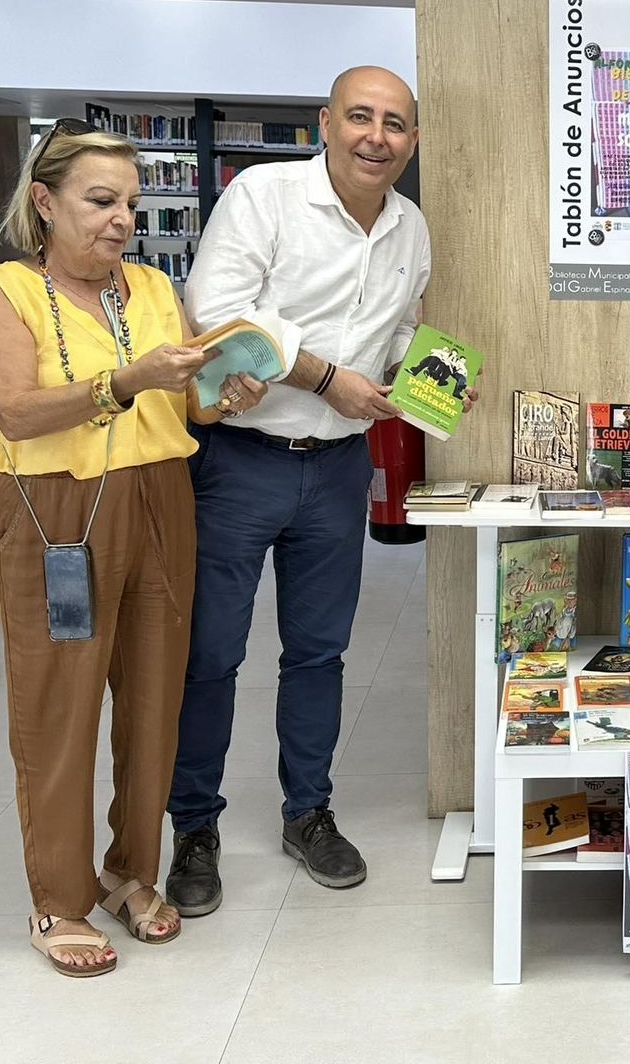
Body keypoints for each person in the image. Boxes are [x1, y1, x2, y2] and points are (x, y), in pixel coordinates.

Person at [165, 66, 475, 913]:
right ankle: (194, 828)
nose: (378, 136)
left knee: (318, 653)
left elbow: (398, 332)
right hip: (237, 463)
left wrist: (434, 379)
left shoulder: (410, 226)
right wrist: (327, 376)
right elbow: (217, 312)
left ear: (413, 140)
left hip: (337, 468)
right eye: (361, 117)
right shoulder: (264, 196)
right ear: (326, 123)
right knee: (210, 655)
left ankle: (309, 813)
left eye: (396, 124)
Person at [0, 120, 265, 977]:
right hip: (53, 508)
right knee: (58, 706)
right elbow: (17, 410)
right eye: (101, 200)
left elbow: (189, 404)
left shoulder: (152, 288)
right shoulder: (1, 290)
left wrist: (227, 393)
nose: (122, 219)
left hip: (161, 495)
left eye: (130, 203)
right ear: (44, 201)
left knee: (154, 700)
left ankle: (130, 870)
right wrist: (127, 380)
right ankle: (58, 900)